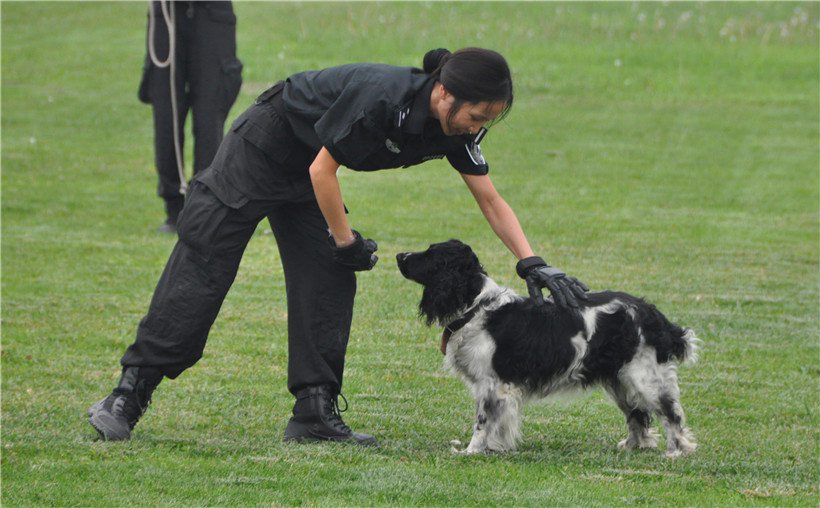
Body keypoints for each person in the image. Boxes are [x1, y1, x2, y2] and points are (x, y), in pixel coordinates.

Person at [88, 48, 589, 445]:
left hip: (312, 170)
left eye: (488, 121)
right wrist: (345, 240)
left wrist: (532, 263)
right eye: (476, 115)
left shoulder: (457, 130)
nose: (477, 127)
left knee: (328, 279)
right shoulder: (382, 98)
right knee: (204, 269)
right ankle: (127, 396)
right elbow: (321, 169)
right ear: (444, 93)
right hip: (262, 149)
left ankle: (314, 412)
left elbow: (490, 198)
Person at [139, 0, 243, 233]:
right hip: (167, 16)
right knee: (166, 111)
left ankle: (204, 205)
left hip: (212, 13)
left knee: (210, 113)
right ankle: (173, 206)